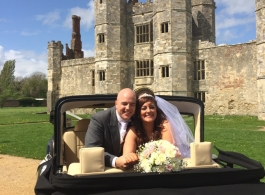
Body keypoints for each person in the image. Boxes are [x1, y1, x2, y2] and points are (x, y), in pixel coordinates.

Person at [123, 88, 194, 158]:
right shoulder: (133, 131)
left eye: (152, 107)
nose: (149, 111)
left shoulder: (164, 125)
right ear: (138, 113)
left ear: (156, 109)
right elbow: (127, 156)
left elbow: (169, 151)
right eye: (144, 108)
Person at [85, 88, 138, 169]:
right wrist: (115, 161)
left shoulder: (138, 120)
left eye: (132, 104)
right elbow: (92, 149)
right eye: (124, 103)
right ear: (116, 103)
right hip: (106, 172)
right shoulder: (100, 119)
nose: (128, 108)